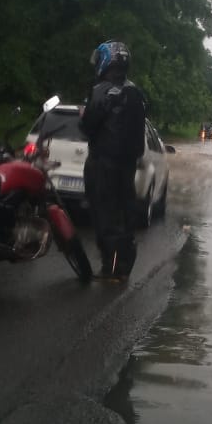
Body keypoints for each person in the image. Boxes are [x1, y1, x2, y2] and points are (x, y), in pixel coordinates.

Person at [80, 40, 146, 281]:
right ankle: (123, 265)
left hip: (103, 164)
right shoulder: (136, 92)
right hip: (127, 166)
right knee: (123, 214)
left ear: (106, 61)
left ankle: (112, 267)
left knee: (105, 216)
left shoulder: (100, 91)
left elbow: (87, 126)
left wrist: (84, 116)